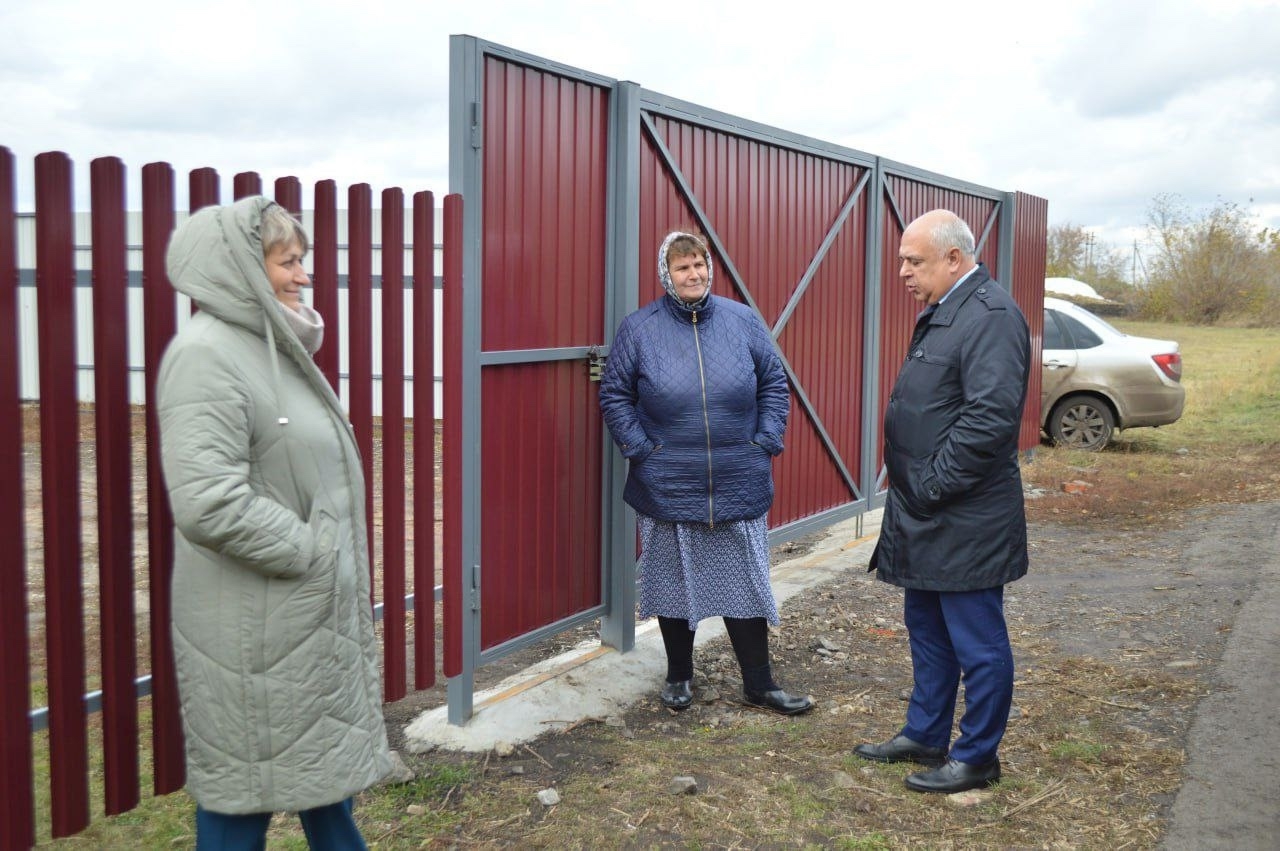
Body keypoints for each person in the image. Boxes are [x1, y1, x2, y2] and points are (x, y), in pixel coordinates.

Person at [157, 197, 392, 848]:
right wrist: (312, 549)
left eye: (302, 260)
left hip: (297, 622)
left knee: (326, 792)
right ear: (241, 267)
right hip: (250, 636)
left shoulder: (270, 347)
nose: (303, 275)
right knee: (239, 806)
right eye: (288, 262)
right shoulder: (206, 356)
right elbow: (207, 498)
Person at [598, 230, 813, 716]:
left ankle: (759, 684)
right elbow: (614, 394)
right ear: (665, 274)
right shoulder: (641, 329)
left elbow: (773, 382)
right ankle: (678, 677)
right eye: (682, 268)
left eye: (699, 265)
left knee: (745, 583)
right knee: (674, 582)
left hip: (739, 478)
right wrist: (642, 451)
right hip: (668, 481)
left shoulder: (741, 321)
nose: (693, 275)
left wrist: (766, 442)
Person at [852, 209, 1031, 793]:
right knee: (927, 629)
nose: (902, 271)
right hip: (929, 512)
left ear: (954, 259)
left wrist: (929, 485)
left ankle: (977, 756)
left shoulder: (992, 316)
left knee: (976, 642)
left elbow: (989, 420)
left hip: (964, 514)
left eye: (914, 261)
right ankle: (925, 733)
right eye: (903, 259)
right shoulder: (945, 311)